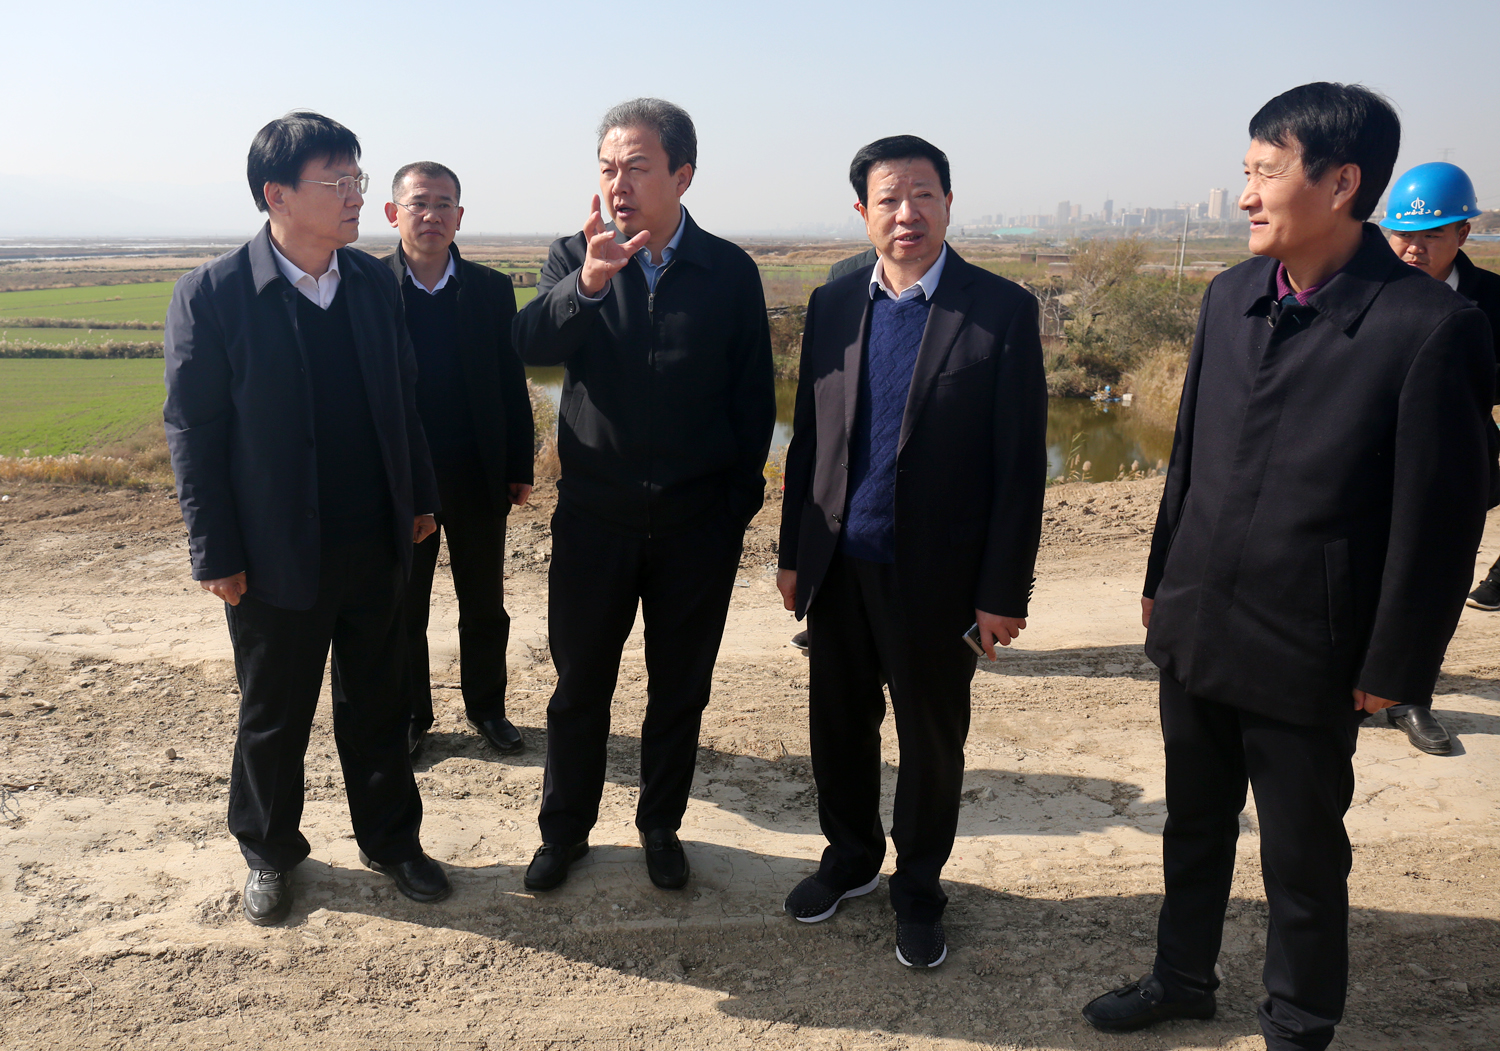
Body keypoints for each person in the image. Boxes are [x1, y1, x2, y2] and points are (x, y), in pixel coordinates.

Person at [1080, 84, 1495, 1050]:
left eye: (1266, 173)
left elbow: (1438, 525)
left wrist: (1395, 668)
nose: (1245, 196)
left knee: (1303, 855)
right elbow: (1188, 457)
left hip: (1313, 642)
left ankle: (1299, 1022)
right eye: (1246, 172)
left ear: (1342, 183)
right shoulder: (1231, 296)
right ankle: (1182, 977)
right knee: (1194, 823)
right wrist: (1160, 578)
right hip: (1198, 617)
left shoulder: (1426, 326)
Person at [163, 112, 452, 925]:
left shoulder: (371, 283)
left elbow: (402, 398)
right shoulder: (215, 295)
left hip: (373, 536)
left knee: (380, 702)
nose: (356, 195)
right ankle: (268, 849)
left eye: (358, 179)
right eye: (339, 182)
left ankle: (392, 839)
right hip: (272, 549)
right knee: (274, 713)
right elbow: (193, 431)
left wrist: (419, 497)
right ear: (278, 195)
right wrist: (214, 549)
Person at [777, 135, 1047, 969]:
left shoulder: (999, 309)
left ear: (948, 204)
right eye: (888, 199)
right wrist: (793, 552)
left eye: (923, 195)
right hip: (838, 565)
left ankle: (919, 885)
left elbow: (1020, 467)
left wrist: (1002, 591)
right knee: (838, 727)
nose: (907, 213)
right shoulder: (833, 303)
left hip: (940, 577)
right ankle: (851, 856)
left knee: (931, 741)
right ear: (863, 212)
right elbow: (810, 438)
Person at [511, 98, 775, 892]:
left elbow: (753, 403)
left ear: (682, 175)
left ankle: (660, 824)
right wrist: (591, 281)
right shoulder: (574, 254)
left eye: (636, 167)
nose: (617, 184)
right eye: (606, 168)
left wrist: (732, 509)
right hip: (595, 520)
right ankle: (564, 832)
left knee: (679, 689)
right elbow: (531, 344)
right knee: (579, 687)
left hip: (697, 528)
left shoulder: (728, 271)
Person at [382, 161, 535, 759]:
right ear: (393, 213)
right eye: (419, 203)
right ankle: (411, 715)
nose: (432, 215)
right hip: (402, 479)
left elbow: (511, 381)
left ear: (460, 216)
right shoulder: (370, 287)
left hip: (477, 473)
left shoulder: (490, 289)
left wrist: (519, 464)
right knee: (404, 607)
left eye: (444, 204)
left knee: (484, 604)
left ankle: (488, 708)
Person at [1377, 161, 1500, 755]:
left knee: (1433, 584)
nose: (1413, 248)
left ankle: (1408, 694)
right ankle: (1347, 686)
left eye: (1431, 235)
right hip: (1367, 464)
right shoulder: (1364, 289)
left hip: (1451, 472)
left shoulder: (1491, 301)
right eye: (1403, 234)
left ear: (1463, 233)